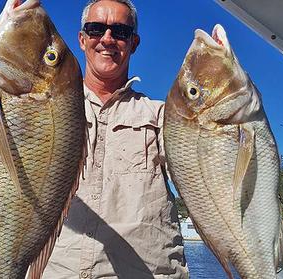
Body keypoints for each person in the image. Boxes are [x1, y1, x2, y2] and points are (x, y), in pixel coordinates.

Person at [44, 0, 188, 278]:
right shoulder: (45, 109)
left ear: (133, 43)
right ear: (82, 39)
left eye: (120, 31)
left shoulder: (162, 116)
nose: (107, 39)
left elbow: (199, 182)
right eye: (97, 29)